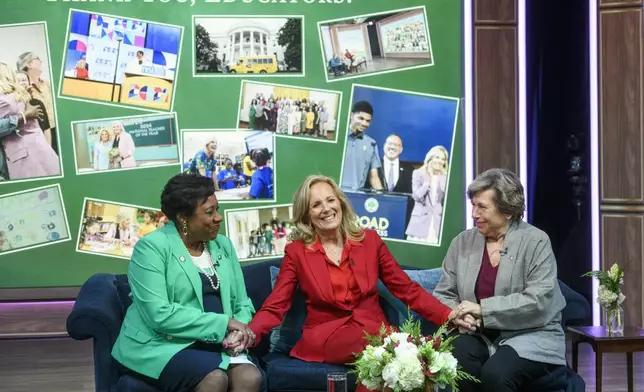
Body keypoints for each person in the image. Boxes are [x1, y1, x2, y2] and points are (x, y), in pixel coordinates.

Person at [227, 175, 474, 392]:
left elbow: (406, 289)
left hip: (375, 331)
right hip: (329, 335)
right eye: (316, 204)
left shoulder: (370, 241)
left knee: (394, 362)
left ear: (341, 203)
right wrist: (249, 332)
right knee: (390, 354)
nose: (326, 208)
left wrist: (448, 315)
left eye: (330, 200)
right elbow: (275, 306)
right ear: (307, 215)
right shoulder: (298, 253)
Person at [111, 173, 263, 392]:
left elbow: (242, 303)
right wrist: (225, 324)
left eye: (217, 209)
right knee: (215, 379)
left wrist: (238, 332)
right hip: (163, 344)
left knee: (250, 377)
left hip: (216, 342)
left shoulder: (223, 246)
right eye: (210, 212)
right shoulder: (151, 248)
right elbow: (159, 314)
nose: (218, 217)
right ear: (183, 218)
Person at [432, 168, 567, 392]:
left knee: (496, 375)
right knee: (457, 364)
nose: (474, 213)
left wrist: (482, 310)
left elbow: (538, 300)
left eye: (482, 207)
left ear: (507, 211)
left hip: (530, 333)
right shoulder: (462, 242)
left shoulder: (536, 242)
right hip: (476, 333)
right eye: (473, 205)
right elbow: (444, 293)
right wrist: (458, 315)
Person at [340, 101, 383, 190]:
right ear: (351, 115)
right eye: (361, 118)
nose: (364, 123)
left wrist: (382, 198)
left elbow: (374, 177)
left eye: (368, 121)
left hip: (357, 198)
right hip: (334, 195)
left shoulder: (371, 144)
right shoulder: (339, 138)